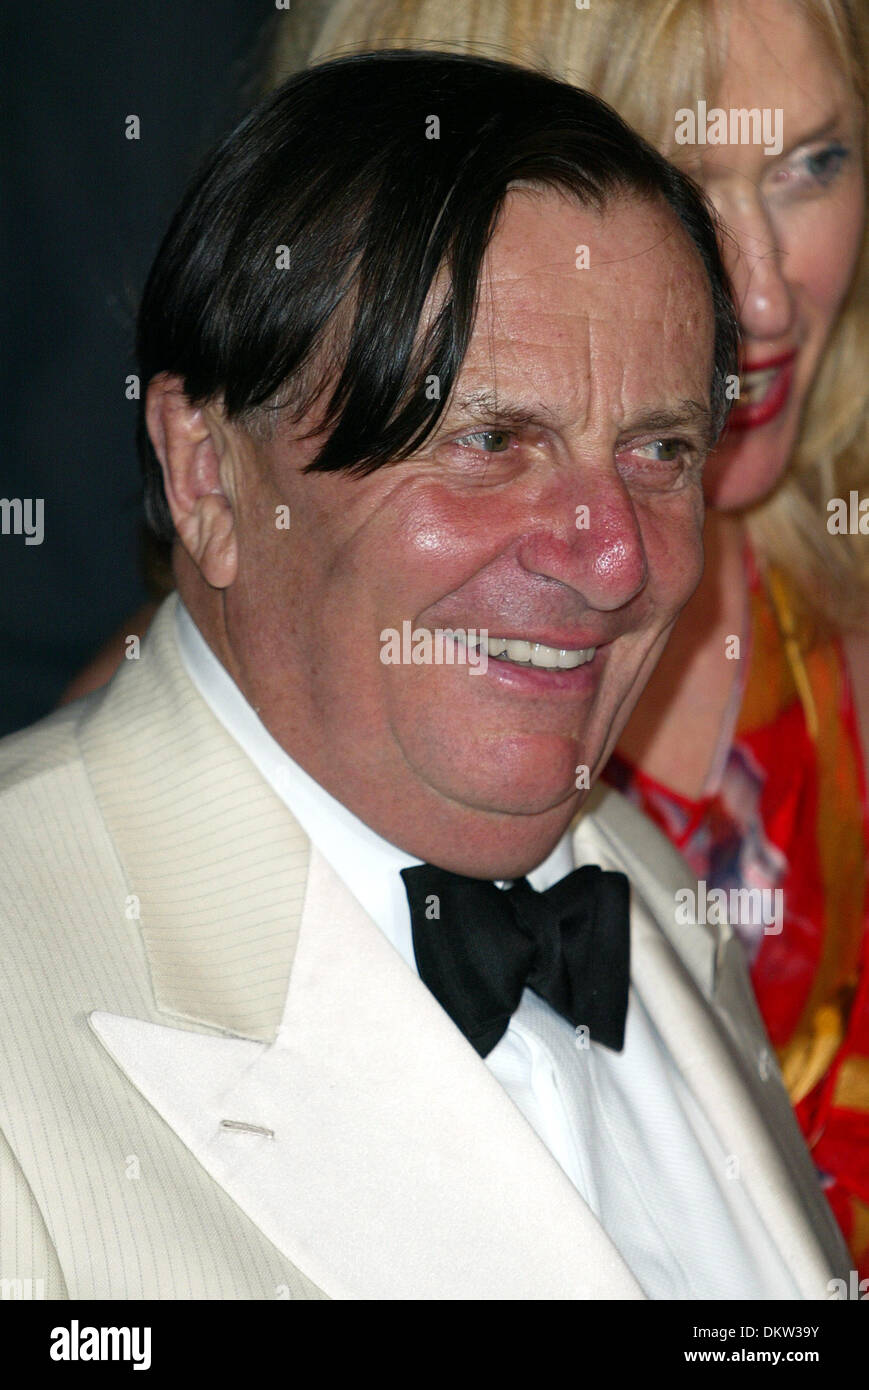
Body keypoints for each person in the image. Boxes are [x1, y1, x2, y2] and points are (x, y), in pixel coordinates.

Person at [0, 50, 848, 1300]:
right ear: (206, 474)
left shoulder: (645, 887)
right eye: (490, 441)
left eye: (659, 450)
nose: (613, 559)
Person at [283, 0, 869, 1277]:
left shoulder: (839, 600)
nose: (760, 293)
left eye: (809, 163)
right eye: (677, 182)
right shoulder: (263, 697)